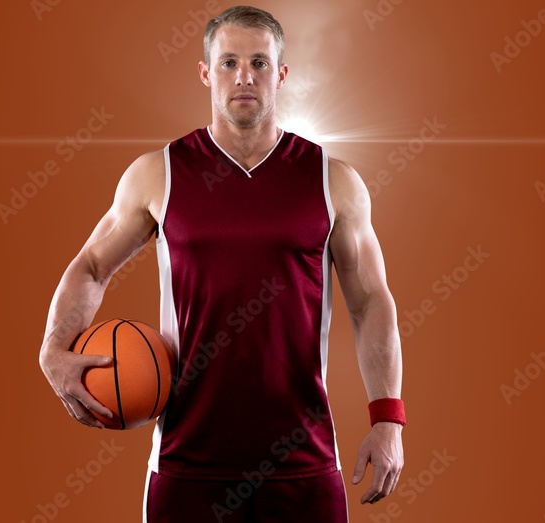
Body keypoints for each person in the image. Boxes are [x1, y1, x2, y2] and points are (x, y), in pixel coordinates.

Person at [38, 6, 405, 522]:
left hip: (303, 464)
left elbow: (370, 304)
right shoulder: (158, 174)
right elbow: (92, 266)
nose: (244, 76)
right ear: (206, 72)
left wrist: (388, 418)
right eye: (229, 62)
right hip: (187, 464)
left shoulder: (331, 180)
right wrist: (53, 350)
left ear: (281, 74)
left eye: (259, 62)